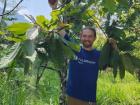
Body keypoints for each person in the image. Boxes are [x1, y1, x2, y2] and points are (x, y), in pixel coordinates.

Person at [58, 26, 117, 105]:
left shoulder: (99, 55)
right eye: (84, 36)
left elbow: (113, 63)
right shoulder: (74, 49)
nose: (87, 39)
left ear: (94, 38)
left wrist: (114, 46)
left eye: (90, 36)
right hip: (72, 97)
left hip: (89, 99)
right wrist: (58, 22)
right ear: (80, 37)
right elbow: (61, 31)